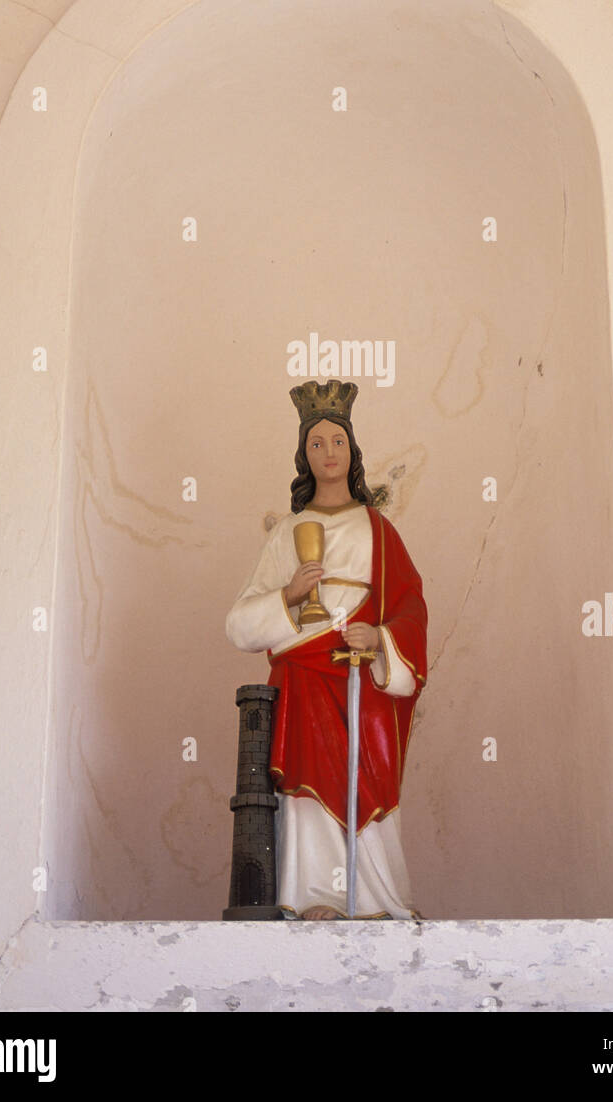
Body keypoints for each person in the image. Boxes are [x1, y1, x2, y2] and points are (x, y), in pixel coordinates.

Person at [225, 379, 428, 919]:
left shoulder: (378, 530)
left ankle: (375, 900)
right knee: (306, 780)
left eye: (337, 441)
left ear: (352, 450)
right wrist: (290, 596)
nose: (329, 452)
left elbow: (411, 607)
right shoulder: (285, 534)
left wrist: (380, 639)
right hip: (303, 677)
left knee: (364, 776)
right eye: (316, 443)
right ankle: (317, 894)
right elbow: (239, 626)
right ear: (304, 455)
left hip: (361, 677)